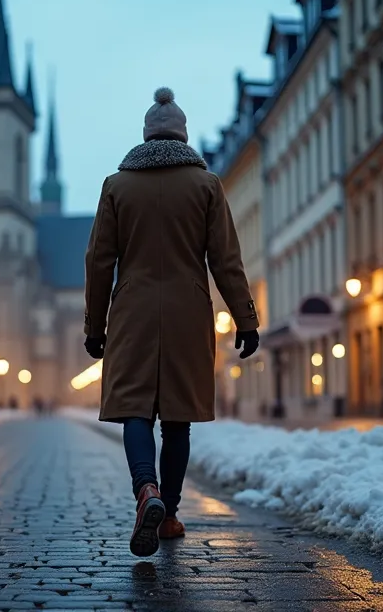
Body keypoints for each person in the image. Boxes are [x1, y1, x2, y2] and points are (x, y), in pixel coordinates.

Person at [84, 87, 260, 558]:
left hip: (132, 311)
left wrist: (94, 327)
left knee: (134, 410)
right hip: (188, 310)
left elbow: (99, 261)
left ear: (145, 136)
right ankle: (171, 513)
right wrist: (244, 318)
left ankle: (148, 492)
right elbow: (226, 259)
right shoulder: (206, 186)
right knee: (178, 419)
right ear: (183, 136)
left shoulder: (116, 187)